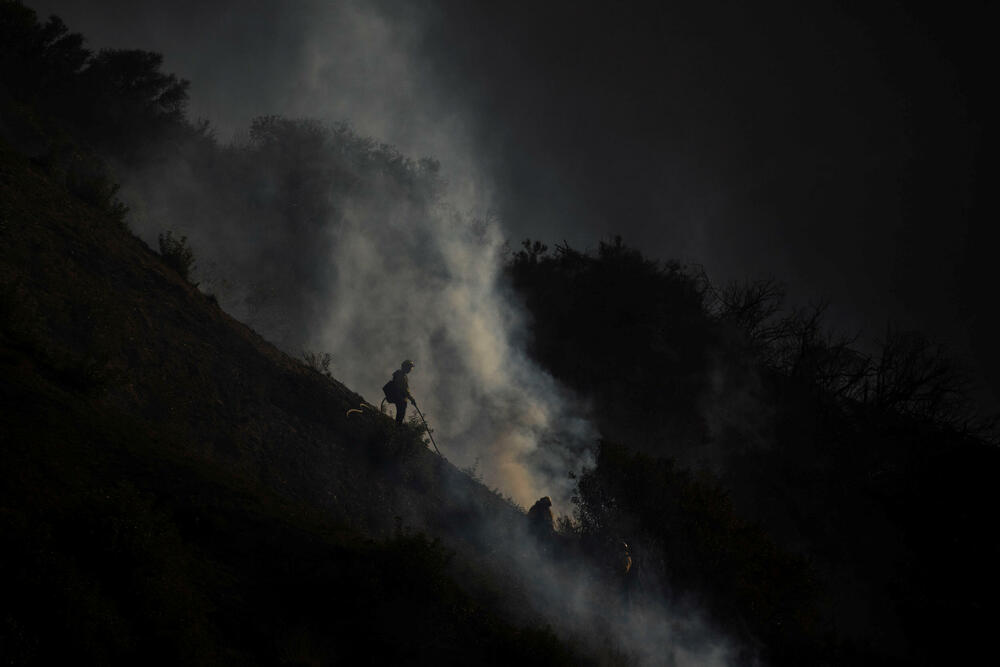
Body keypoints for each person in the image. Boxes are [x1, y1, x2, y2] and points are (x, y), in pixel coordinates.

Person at [383, 359, 415, 425]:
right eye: (409, 367)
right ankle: (397, 429)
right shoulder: (401, 376)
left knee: (400, 415)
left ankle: (397, 427)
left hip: (400, 398)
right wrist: (411, 399)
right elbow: (404, 390)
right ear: (406, 367)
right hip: (400, 399)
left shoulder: (400, 375)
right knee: (400, 415)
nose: (410, 369)